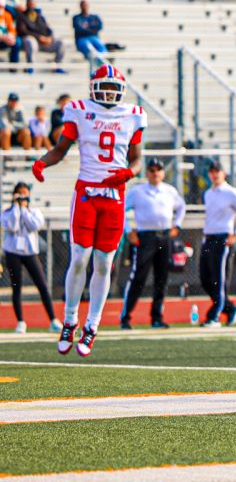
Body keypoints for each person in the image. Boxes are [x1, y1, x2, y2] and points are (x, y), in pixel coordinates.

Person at [34, 65, 145, 357]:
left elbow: (136, 161)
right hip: (86, 194)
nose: (108, 92)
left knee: (104, 264)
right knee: (80, 258)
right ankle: (70, 320)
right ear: (94, 87)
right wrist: (42, 162)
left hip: (114, 197)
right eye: (104, 87)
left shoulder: (132, 115)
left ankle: (92, 325)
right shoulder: (80, 110)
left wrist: (128, 174)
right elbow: (60, 150)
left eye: (113, 87)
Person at [119, 158, 185, 329]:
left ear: (162, 172)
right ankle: (125, 317)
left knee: (161, 278)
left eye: (158, 169)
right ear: (146, 172)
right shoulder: (138, 191)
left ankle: (157, 317)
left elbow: (181, 207)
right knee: (138, 277)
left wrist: (177, 225)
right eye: (152, 170)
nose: (155, 173)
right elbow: (121, 209)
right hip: (145, 237)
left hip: (164, 236)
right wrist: (129, 231)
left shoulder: (169, 191)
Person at [198, 162, 236, 328]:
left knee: (219, 279)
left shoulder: (231, 192)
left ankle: (214, 316)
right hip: (208, 238)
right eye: (212, 172)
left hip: (223, 238)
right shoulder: (208, 193)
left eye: (217, 171)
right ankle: (230, 309)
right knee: (205, 278)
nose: (215, 175)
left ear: (224, 173)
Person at [2, 181, 59, 333]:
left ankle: (53, 320)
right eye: (19, 193)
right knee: (16, 287)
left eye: (25, 193)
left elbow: (34, 226)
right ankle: (20, 321)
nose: (22, 196)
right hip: (12, 253)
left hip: (30, 253)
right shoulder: (7, 212)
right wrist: (16, 207)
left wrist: (24, 209)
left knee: (42, 285)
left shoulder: (35, 212)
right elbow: (12, 226)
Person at [16, 0, 65, 68]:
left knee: (61, 42)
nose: (31, 6)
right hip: (32, 42)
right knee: (30, 41)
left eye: (33, 4)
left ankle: (57, 66)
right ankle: (30, 66)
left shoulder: (39, 16)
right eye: (30, 4)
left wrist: (50, 38)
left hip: (44, 43)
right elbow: (23, 31)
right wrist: (39, 37)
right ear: (26, 5)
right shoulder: (21, 16)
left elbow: (48, 29)